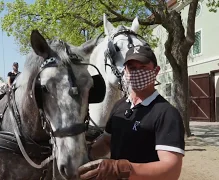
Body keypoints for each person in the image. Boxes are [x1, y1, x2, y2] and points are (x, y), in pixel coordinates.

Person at [78, 45, 185, 180]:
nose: (137, 72)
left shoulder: (167, 113)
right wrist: (84, 154)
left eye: (143, 68)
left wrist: (121, 169)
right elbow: (106, 142)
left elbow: (171, 170)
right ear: (125, 71)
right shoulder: (120, 106)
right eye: (132, 68)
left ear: (156, 71)